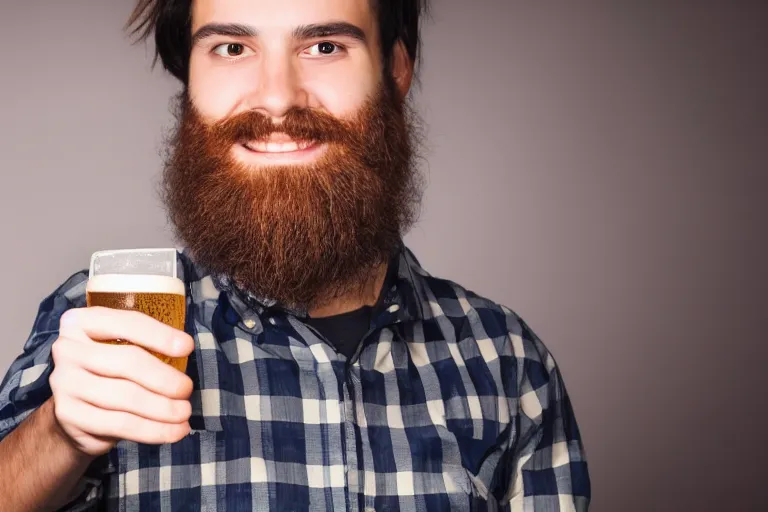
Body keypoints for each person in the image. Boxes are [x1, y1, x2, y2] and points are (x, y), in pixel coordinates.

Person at [0, 0, 590, 510]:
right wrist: (61, 434)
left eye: (325, 45)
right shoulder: (102, 323)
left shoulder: (506, 359)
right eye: (232, 48)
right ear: (189, 81)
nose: (277, 97)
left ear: (396, 68)